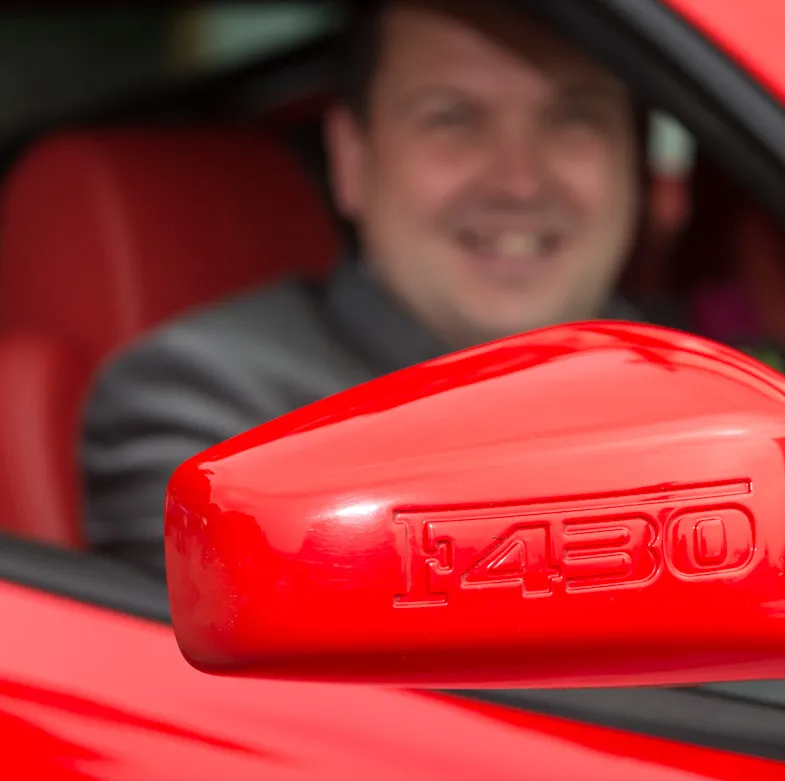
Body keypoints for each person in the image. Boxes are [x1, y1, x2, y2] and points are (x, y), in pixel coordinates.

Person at [81, 0, 654, 575]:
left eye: (574, 117)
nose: (520, 182)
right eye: (453, 119)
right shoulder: (212, 409)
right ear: (351, 159)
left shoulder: (691, 381)